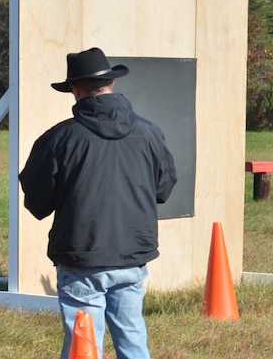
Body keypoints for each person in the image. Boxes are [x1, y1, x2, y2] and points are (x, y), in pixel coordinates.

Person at [19, 47, 177, 359]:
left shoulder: (59, 138)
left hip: (82, 257)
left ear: (75, 89)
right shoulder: (149, 132)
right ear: (111, 84)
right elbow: (164, 188)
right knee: (133, 341)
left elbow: (37, 201)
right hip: (133, 255)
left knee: (85, 347)